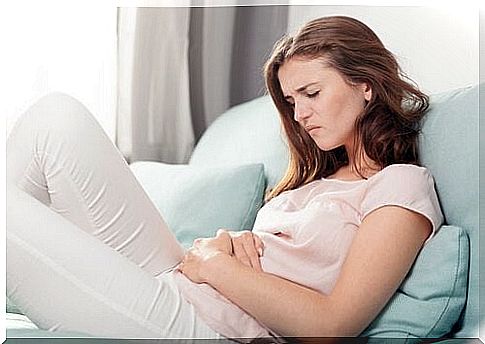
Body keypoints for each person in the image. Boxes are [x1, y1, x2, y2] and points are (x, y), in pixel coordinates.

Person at [6, 15, 443, 341]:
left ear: (365, 84)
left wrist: (216, 266)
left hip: (208, 326)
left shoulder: (399, 185)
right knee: (54, 118)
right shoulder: (311, 181)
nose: (301, 114)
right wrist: (218, 246)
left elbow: (331, 326)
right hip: (179, 277)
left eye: (312, 93)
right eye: (292, 101)